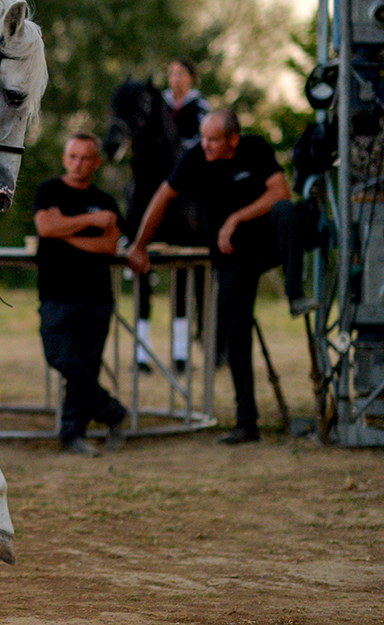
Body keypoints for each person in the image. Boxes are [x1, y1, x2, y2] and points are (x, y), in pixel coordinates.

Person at [127, 110, 314, 445]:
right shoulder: (195, 157)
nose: (206, 145)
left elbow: (280, 192)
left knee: (291, 212)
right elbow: (162, 198)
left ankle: (295, 292)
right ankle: (247, 423)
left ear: (233, 139)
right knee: (235, 335)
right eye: (203, 137)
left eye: (213, 139)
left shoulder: (255, 148)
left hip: (267, 242)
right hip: (232, 255)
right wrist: (139, 245)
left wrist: (235, 219)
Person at [33, 132, 128, 456]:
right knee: (61, 357)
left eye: (85, 158)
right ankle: (113, 413)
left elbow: (109, 246)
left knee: (85, 367)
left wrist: (66, 232)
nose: (78, 164)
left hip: (96, 297)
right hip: (55, 295)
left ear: (97, 162)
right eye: (72, 157)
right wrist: (90, 222)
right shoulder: (49, 190)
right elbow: (46, 228)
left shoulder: (107, 201)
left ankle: (73, 435)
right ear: (64, 158)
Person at [135, 58, 212, 372]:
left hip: (186, 174)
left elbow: (203, 141)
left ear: (191, 77)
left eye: (181, 73)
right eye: (172, 73)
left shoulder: (200, 107)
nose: (176, 78)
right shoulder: (159, 105)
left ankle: (183, 348)